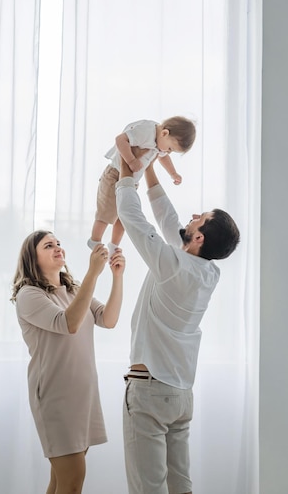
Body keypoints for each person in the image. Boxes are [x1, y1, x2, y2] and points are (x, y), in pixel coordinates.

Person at [116, 156, 240, 494]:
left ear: (199, 237)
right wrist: (149, 167)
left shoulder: (172, 264)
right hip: (180, 394)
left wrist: (127, 178)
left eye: (200, 218)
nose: (192, 217)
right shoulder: (207, 272)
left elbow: (133, 219)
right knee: (180, 487)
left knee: (148, 488)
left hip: (150, 391)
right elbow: (169, 221)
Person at [10, 230, 125, 494]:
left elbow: (108, 319)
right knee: (72, 481)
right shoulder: (29, 295)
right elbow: (69, 323)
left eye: (59, 243)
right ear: (32, 258)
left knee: (61, 482)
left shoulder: (73, 290)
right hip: (55, 396)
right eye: (48, 245)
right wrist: (93, 273)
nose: (58, 247)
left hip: (82, 394)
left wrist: (117, 278)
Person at [88, 116, 196, 257]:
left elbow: (163, 157)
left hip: (131, 182)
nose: (168, 152)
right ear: (164, 133)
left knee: (125, 217)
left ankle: (114, 245)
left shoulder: (160, 143)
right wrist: (131, 160)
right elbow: (120, 140)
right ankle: (95, 240)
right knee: (106, 212)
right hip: (115, 174)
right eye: (170, 148)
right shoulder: (146, 131)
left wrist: (173, 173)